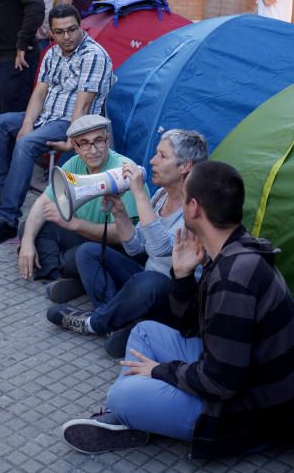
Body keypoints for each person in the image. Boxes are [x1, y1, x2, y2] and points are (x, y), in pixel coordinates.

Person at [62, 161, 294, 460]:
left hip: (252, 409)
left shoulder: (236, 275)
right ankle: (134, 417)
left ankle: (127, 414)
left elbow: (220, 382)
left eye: (183, 197)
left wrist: (159, 371)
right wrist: (183, 276)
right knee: (144, 332)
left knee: (121, 396)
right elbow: (192, 329)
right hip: (236, 371)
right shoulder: (231, 250)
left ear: (195, 208)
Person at [47, 130, 208, 354]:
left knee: (149, 280)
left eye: (162, 156)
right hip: (145, 280)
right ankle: (118, 320)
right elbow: (135, 248)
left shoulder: (195, 208)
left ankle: (93, 323)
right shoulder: (162, 194)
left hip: (172, 297)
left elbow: (160, 249)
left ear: (185, 166)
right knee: (88, 252)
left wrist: (139, 192)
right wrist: (120, 215)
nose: (152, 161)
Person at [0, 5, 114, 246]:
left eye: (72, 30)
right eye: (60, 32)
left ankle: (8, 220)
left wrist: (73, 139)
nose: (66, 37)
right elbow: (40, 92)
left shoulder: (93, 55)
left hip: (70, 122)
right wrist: (27, 123)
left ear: (80, 26)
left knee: (26, 143)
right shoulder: (52, 53)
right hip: (46, 116)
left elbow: (83, 105)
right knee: (1, 123)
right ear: (51, 32)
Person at [18, 114, 140, 299]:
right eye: (84, 143)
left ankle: (71, 275)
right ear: (74, 147)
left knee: (76, 258)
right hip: (85, 236)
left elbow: (125, 237)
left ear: (107, 140)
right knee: (28, 227)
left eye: (98, 141)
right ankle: (61, 276)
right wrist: (27, 244)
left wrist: (74, 225)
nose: (93, 150)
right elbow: (42, 203)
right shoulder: (74, 163)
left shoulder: (123, 170)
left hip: (114, 247)